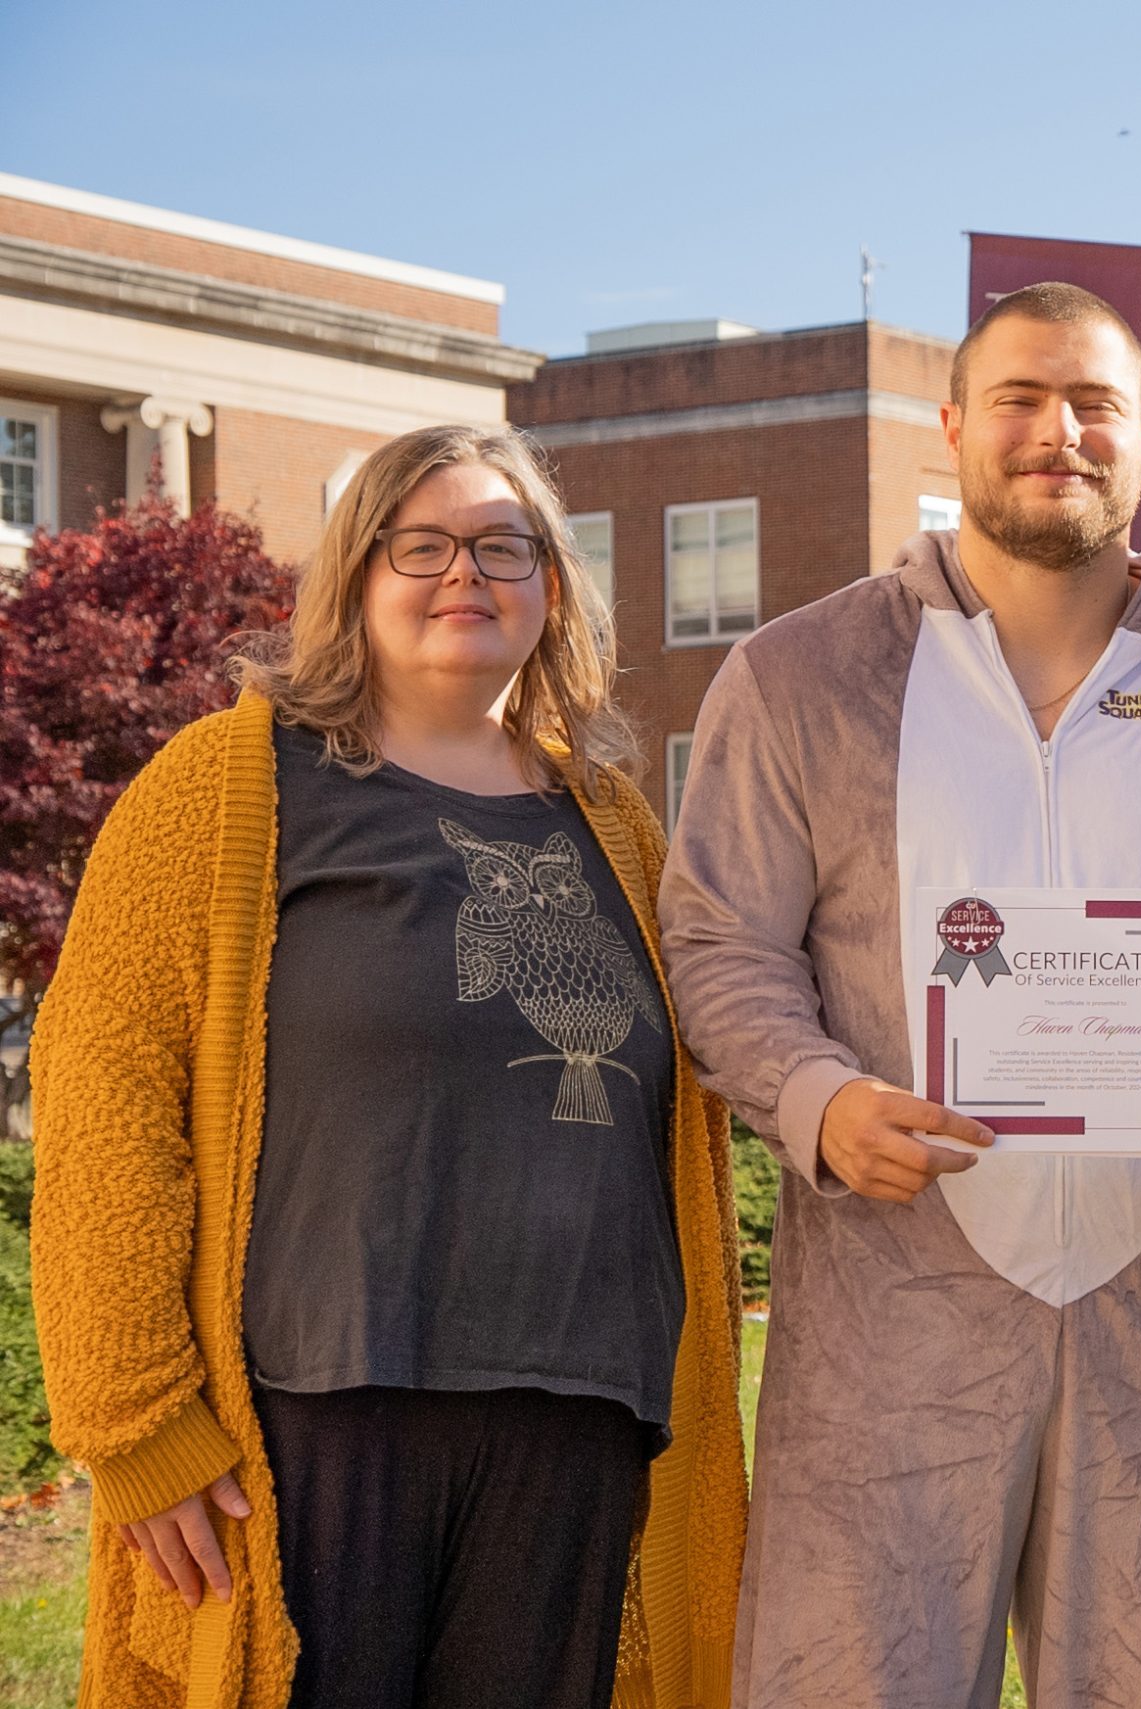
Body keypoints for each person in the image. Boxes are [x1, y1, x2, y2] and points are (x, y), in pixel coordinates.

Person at [657, 282, 1141, 1709]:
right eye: (1023, 399)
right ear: (954, 429)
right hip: (888, 1313)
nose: (1062, 431)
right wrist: (820, 1098)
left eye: (1097, 403)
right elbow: (722, 943)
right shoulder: (799, 676)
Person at [29, 424, 746, 1709]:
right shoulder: (226, 787)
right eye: (420, 546)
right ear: (355, 579)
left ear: (551, 589)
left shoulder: (617, 822)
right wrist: (136, 1423)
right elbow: (103, 1103)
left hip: (581, 1409)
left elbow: (701, 1073)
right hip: (320, 1410)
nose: (462, 572)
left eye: (501, 546)